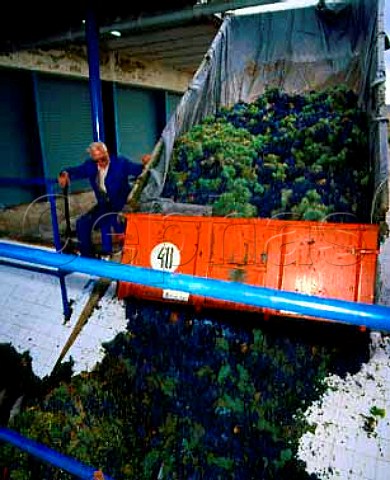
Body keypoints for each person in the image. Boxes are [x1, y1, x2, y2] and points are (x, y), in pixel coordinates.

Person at [58, 141, 149, 258]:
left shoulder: (120, 163)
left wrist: (146, 163)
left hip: (122, 204)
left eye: (103, 159)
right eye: (96, 160)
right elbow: (75, 171)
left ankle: (127, 258)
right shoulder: (90, 166)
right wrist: (64, 174)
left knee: (118, 225)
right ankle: (90, 260)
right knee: (82, 224)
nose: (100, 163)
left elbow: (139, 170)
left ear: (107, 153)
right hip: (104, 206)